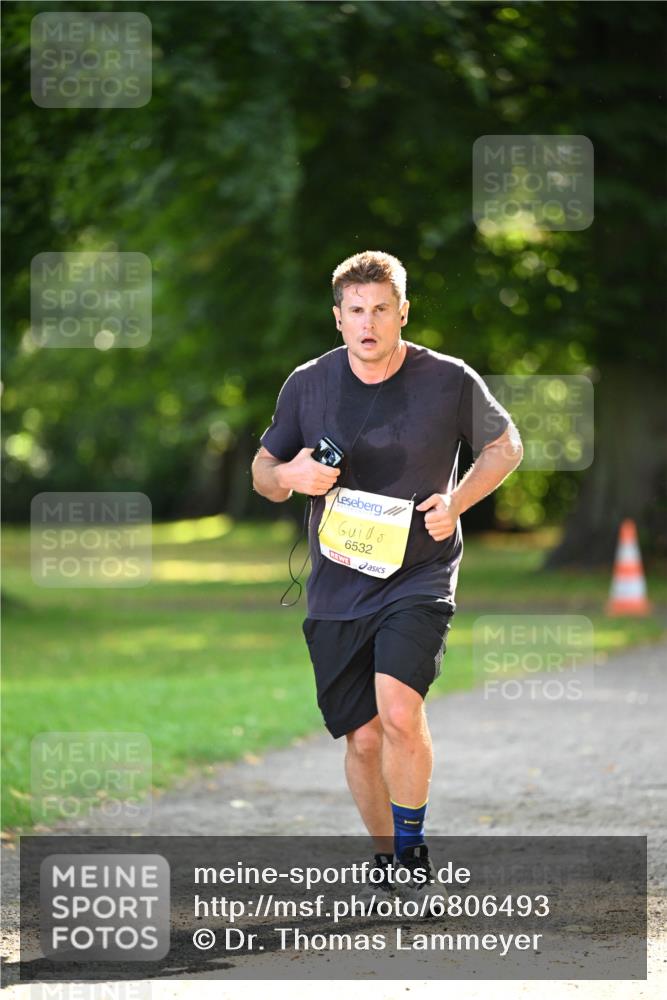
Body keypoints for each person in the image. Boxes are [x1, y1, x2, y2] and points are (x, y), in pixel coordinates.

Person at [251, 250, 522, 910]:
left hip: (417, 573)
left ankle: (412, 851)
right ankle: (384, 860)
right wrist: (290, 476)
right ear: (337, 318)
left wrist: (454, 503)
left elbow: (505, 446)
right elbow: (262, 470)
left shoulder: (448, 380)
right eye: (355, 311)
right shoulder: (306, 385)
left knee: (399, 713)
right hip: (336, 584)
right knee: (362, 735)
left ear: (402, 312)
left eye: (380, 310)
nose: (367, 323)